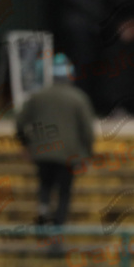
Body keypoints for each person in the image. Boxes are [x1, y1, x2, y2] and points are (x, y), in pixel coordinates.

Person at [16, 55, 95, 232]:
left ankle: (43, 215)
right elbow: (88, 132)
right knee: (64, 192)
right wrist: (88, 154)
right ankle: (58, 228)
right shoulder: (78, 98)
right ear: (70, 76)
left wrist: (26, 144)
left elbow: (20, 122)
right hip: (68, 154)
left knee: (45, 186)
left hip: (42, 153)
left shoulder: (38, 97)